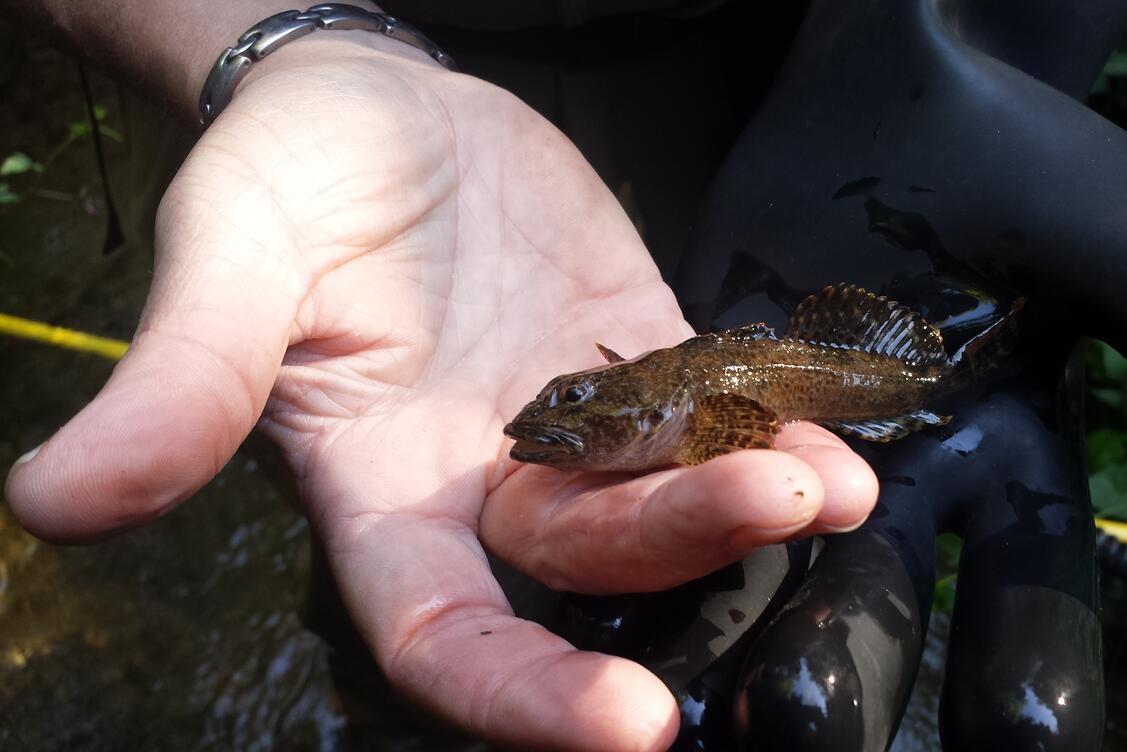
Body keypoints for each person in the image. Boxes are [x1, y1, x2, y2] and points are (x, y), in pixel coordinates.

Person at [1, 1, 878, 749]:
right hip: (256, 58)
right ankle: (386, 710)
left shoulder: (678, 398)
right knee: (367, 520)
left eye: (576, 404)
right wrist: (292, 45)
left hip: (743, 86)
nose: (546, 422)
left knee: (718, 593)